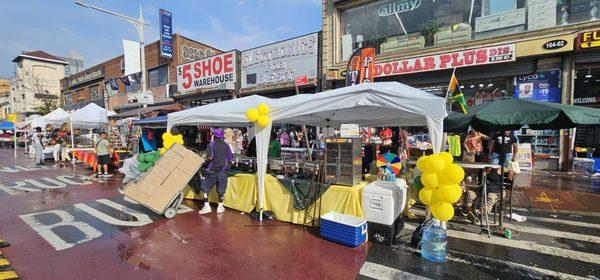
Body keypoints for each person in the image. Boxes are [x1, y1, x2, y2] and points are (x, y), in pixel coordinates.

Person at [199, 129, 233, 215]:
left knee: (205, 188)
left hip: (212, 171)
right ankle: (220, 206)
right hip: (223, 172)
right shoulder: (227, 146)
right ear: (222, 136)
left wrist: (204, 162)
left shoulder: (211, 144)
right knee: (221, 190)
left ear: (213, 136)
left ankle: (207, 206)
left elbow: (210, 158)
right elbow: (230, 159)